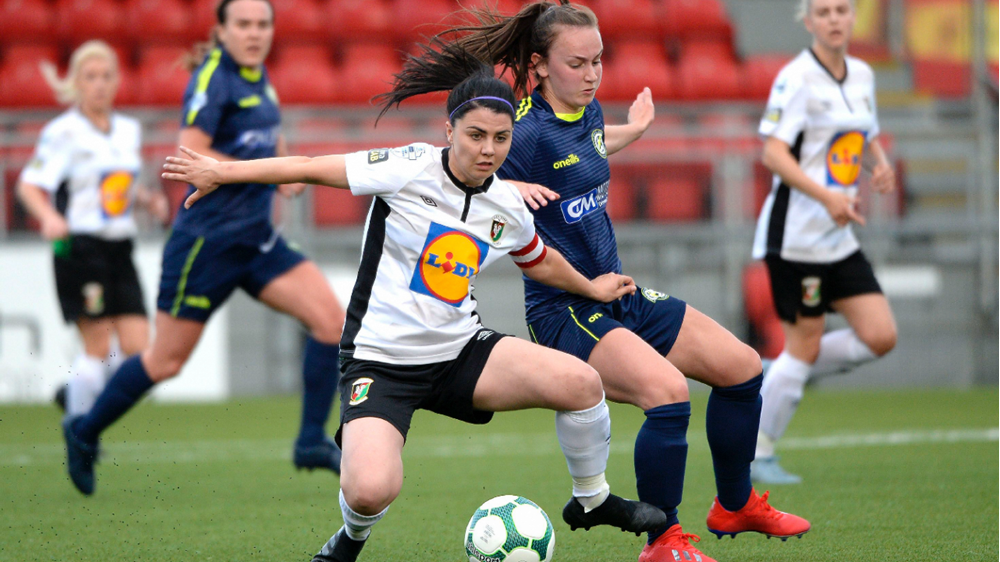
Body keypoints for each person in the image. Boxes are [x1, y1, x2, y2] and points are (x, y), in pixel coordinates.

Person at [163, 48, 668, 562]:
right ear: (449, 131)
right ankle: (348, 541)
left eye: (501, 138)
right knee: (369, 491)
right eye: (475, 135)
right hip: (381, 361)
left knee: (582, 384)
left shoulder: (506, 204)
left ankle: (593, 500)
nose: (488, 150)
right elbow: (311, 167)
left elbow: (538, 260)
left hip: (460, 351)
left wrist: (591, 287)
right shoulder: (408, 167)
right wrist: (221, 174)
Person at [434, 2, 812, 560]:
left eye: (598, 62)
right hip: (563, 310)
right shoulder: (524, 132)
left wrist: (633, 130)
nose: (591, 75)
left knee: (742, 368)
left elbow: (588, 146)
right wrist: (506, 191)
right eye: (577, 63)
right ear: (538, 65)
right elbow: (465, 170)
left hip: (618, 290)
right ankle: (663, 541)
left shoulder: (586, 112)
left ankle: (735, 506)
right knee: (668, 394)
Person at [61, 0, 346, 496]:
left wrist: (282, 168)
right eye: (244, 24)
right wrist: (263, 171)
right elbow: (189, 149)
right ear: (222, 30)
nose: (254, 33)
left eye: (262, 24)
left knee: (330, 323)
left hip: (256, 240)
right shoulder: (214, 77)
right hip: (207, 243)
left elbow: (263, 134)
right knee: (165, 361)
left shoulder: (259, 76)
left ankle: (309, 441)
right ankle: (83, 432)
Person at [751, 0, 898, 484]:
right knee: (805, 345)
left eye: (842, 10)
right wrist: (827, 197)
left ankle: (785, 369)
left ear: (853, 17)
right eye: (824, 11)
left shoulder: (861, 74)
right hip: (796, 241)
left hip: (837, 238)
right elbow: (773, 154)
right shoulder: (797, 79)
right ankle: (758, 452)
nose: (834, 19)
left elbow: (864, 131)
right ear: (808, 21)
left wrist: (878, 162)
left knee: (880, 336)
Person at [17, 40, 169, 420]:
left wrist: (145, 199)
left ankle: (76, 396)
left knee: (139, 350)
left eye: (106, 76)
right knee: (97, 347)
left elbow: (114, 186)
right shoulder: (63, 132)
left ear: (117, 81)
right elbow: (29, 185)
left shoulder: (127, 130)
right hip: (81, 248)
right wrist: (48, 216)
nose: (99, 84)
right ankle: (81, 430)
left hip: (120, 246)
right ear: (77, 84)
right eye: (90, 77)